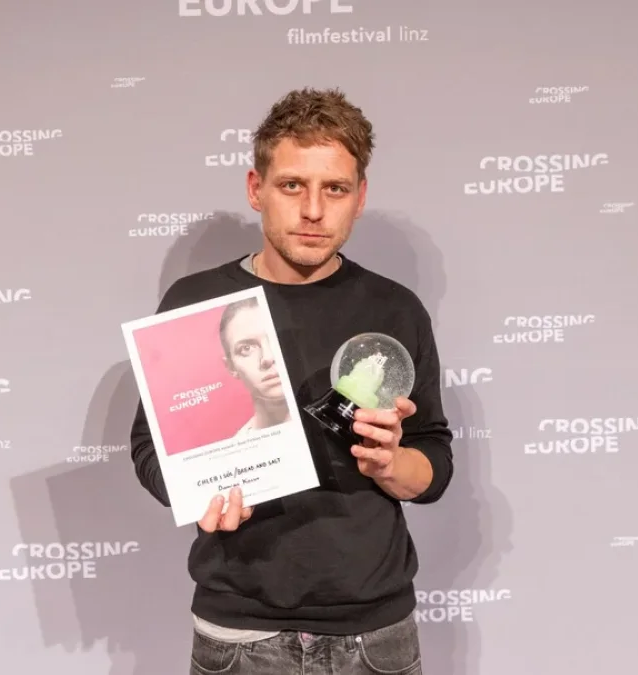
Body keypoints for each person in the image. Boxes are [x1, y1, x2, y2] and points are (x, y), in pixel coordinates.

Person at [129, 87, 453, 675]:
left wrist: (391, 464)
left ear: (360, 197)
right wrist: (197, 494)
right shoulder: (197, 303)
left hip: (375, 637)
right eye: (292, 185)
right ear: (256, 189)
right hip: (238, 635)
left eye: (335, 189)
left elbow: (433, 460)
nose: (313, 210)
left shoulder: (396, 309)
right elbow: (151, 448)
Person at [218, 297, 292, 435]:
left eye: (276, 339)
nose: (268, 357)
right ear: (231, 367)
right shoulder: (238, 446)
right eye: (246, 348)